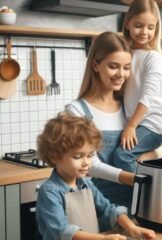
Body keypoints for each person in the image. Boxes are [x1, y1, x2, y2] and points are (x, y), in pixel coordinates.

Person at [36, 112, 156, 240]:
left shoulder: (86, 184)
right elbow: (62, 231)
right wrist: (103, 238)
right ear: (55, 156)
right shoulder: (50, 192)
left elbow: (109, 209)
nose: (86, 162)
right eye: (78, 156)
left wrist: (132, 228)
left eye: (89, 155)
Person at [65, 31, 135, 209]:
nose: (121, 74)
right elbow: (91, 165)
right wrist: (135, 179)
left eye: (127, 67)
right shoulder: (76, 110)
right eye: (113, 66)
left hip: (135, 199)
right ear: (95, 65)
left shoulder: (130, 108)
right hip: (96, 205)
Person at [121, 0, 162, 153]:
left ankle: (136, 179)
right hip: (136, 123)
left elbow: (147, 97)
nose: (144, 32)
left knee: (122, 155)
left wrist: (131, 126)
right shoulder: (126, 54)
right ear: (128, 23)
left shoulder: (153, 57)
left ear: (156, 28)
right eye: (138, 25)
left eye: (150, 27)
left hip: (153, 126)